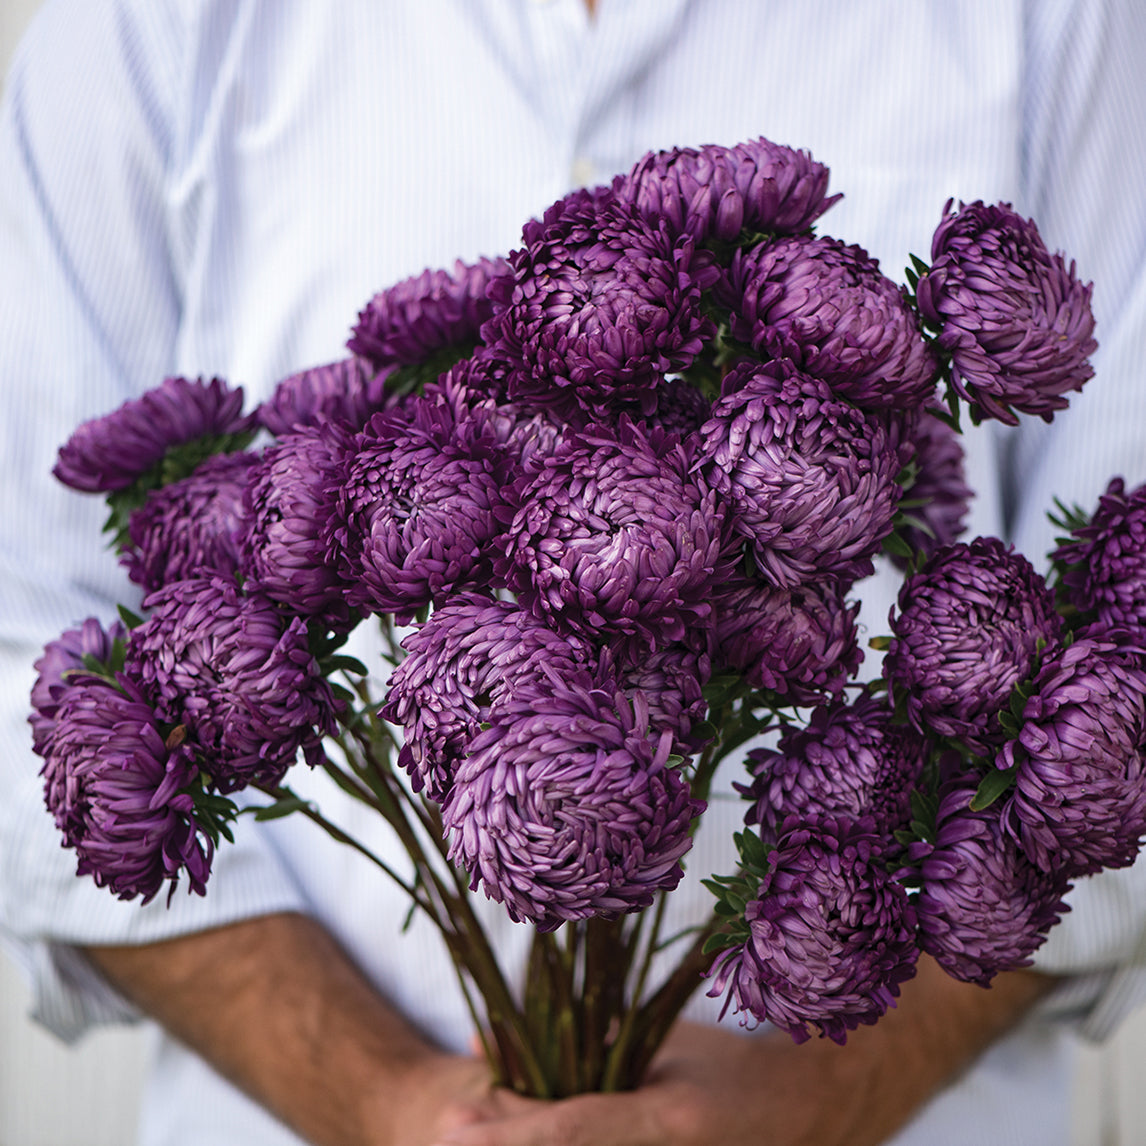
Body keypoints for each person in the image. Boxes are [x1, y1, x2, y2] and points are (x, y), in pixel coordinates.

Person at [2, 1, 1145, 1143]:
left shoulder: (1068, 26)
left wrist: (825, 1101)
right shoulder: (137, 28)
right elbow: (25, 644)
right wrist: (374, 1099)